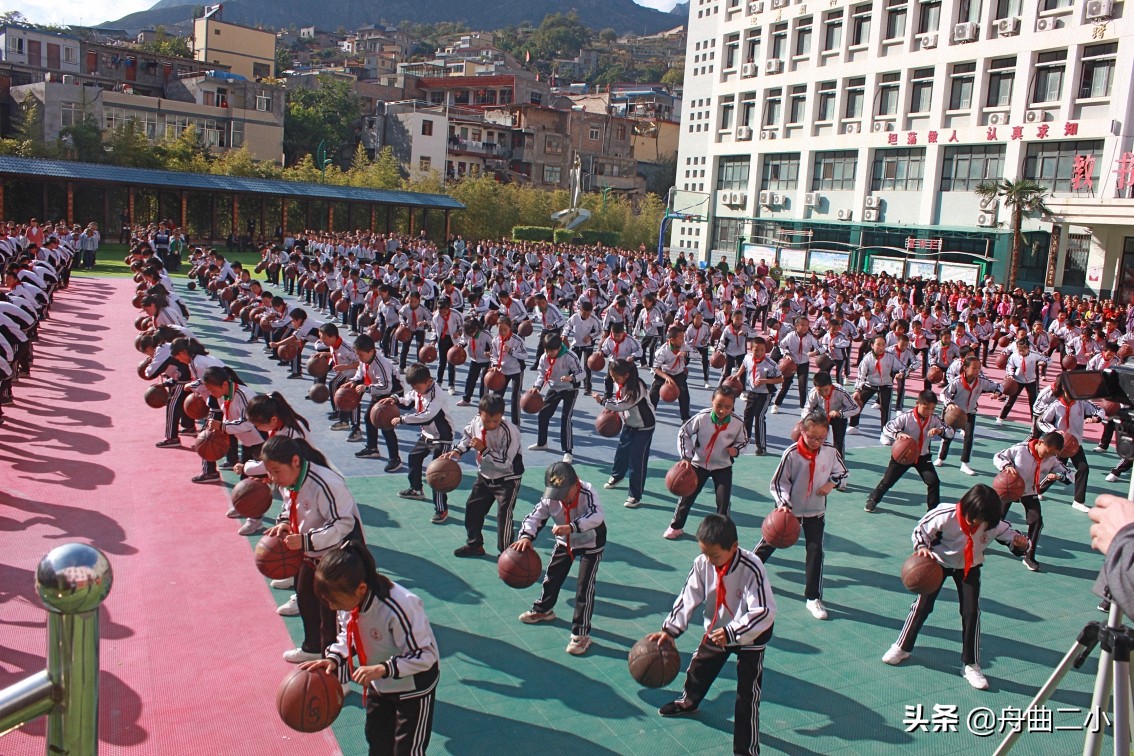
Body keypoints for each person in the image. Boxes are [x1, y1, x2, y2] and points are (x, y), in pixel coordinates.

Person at [646, 514, 775, 756]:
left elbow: (764, 612)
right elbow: (688, 596)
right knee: (699, 668)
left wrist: (732, 632)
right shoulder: (703, 563)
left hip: (750, 634)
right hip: (719, 628)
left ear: (734, 547)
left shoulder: (752, 566)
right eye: (704, 553)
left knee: (747, 695)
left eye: (714, 555)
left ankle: (746, 751)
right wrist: (670, 630)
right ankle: (689, 701)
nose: (709, 560)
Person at [882, 484, 1028, 690]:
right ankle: (902, 646)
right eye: (973, 517)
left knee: (971, 613)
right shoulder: (945, 514)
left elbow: (1014, 538)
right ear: (965, 506)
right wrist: (922, 547)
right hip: (937, 564)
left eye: (981, 520)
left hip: (969, 567)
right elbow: (920, 530)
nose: (975, 523)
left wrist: (1021, 544)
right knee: (922, 606)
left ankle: (971, 665)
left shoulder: (993, 524)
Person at [300, 541, 439, 756]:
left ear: (361, 589)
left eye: (334, 600)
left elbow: (425, 655)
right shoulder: (350, 602)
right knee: (377, 740)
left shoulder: (399, 606)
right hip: (380, 681)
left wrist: (383, 668)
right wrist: (334, 658)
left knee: (408, 750)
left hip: (413, 685)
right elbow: (349, 634)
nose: (332, 606)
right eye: (327, 600)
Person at [262, 436, 364, 663]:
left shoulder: (326, 483)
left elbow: (343, 524)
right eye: (269, 472)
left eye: (276, 471)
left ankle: (336, 667)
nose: (273, 478)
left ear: (295, 461)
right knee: (306, 599)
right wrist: (284, 522)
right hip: (311, 552)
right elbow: (289, 506)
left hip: (339, 556)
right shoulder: (289, 481)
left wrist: (306, 541)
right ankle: (313, 648)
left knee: (331, 616)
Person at [755, 413, 847, 620]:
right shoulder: (792, 453)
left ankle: (813, 597)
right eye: (812, 437)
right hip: (789, 510)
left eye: (821, 438)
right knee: (769, 542)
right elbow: (779, 482)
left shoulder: (830, 452)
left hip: (816, 511)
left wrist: (831, 483)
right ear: (802, 431)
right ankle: (744, 572)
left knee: (815, 551)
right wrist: (784, 503)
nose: (816, 442)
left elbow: (842, 473)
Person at [513, 462, 606, 656]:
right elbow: (535, 517)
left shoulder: (587, 492)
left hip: (591, 541)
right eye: (555, 492)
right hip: (565, 542)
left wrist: (571, 527)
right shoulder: (551, 497)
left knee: (584, 587)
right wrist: (526, 536)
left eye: (563, 492)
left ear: (575, 484)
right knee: (552, 576)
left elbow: (596, 516)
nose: (560, 497)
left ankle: (581, 634)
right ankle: (544, 609)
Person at [666, 386, 748, 540]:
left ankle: (722, 534)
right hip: (699, 464)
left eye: (727, 407)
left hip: (723, 466)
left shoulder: (737, 423)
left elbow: (743, 441)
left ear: (733, 406)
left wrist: (736, 450)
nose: (722, 410)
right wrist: (686, 457)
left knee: (723, 502)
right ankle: (676, 526)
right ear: (712, 401)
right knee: (687, 497)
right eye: (718, 405)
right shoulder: (702, 417)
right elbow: (684, 433)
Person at [449, 394, 524, 556]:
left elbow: (505, 463)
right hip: (485, 474)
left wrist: (484, 450)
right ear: (479, 413)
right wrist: (457, 451)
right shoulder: (476, 421)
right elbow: (468, 437)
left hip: (507, 478)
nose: (491, 425)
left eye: (495, 421)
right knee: (473, 508)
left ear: (502, 416)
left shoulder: (510, 431)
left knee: (504, 515)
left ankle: (506, 553)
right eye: (487, 421)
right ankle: (475, 544)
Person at [865, 390, 953, 514]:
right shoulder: (906, 417)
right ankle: (873, 499)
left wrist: (940, 431)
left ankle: (933, 511)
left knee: (934, 482)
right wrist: (898, 434)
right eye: (926, 408)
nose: (929, 412)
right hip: (904, 455)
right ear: (917, 403)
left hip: (922, 456)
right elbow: (887, 428)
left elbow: (950, 432)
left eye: (932, 409)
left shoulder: (934, 419)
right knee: (888, 481)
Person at [993, 432, 1071, 571]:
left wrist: (1058, 476)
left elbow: (1069, 473)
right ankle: (978, 541)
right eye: (1047, 452)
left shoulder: (1051, 458)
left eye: (1052, 454)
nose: (1047, 456)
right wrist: (1007, 465)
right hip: (1010, 488)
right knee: (993, 519)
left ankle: (1029, 556)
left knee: (1037, 522)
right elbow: (998, 456)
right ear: (1040, 442)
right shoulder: (1020, 449)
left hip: (1030, 491)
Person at [390, 363, 455, 524]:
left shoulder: (437, 395)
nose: (416, 390)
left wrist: (402, 419)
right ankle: (416, 489)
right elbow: (408, 400)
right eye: (414, 387)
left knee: (437, 473)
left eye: (418, 387)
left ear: (429, 381)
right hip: (427, 434)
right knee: (414, 457)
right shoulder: (419, 389)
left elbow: (427, 416)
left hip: (442, 437)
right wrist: (394, 399)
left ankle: (441, 509)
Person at [1036, 373, 1102, 513]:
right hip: (1060, 444)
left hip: (1075, 443)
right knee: (1057, 469)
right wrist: (1055, 431)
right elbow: (1041, 421)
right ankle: (1038, 490)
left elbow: (1099, 410)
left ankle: (1078, 501)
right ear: (1064, 389)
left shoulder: (1082, 403)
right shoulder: (1055, 405)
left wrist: (1096, 418)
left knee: (1083, 468)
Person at [936, 355, 1002, 475]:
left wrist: (997, 392)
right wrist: (949, 403)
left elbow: (998, 385)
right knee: (948, 435)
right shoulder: (957, 382)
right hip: (954, 413)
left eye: (979, 368)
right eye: (974, 368)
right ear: (965, 368)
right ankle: (941, 458)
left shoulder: (981, 381)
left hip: (970, 412)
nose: (977, 371)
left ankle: (965, 464)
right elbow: (943, 394)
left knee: (969, 437)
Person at [349, 333, 402, 472]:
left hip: (392, 393)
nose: (359, 358)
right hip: (378, 392)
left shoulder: (381, 364)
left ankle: (395, 459)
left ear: (371, 351)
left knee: (384, 423)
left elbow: (386, 387)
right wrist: (354, 381)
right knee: (369, 418)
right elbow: (360, 373)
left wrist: (366, 388)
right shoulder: (365, 359)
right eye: (357, 355)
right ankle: (372, 448)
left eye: (361, 355)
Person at [528, 332, 584, 463]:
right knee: (543, 414)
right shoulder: (544, 358)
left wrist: (571, 378)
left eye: (552, 351)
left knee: (566, 418)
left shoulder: (570, 356)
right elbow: (541, 374)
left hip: (570, 389)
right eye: (546, 350)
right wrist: (537, 386)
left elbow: (582, 373)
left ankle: (568, 451)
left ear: (559, 348)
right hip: (554, 388)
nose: (549, 353)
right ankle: (542, 443)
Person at [850, 335, 903, 442]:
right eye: (878, 344)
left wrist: (901, 373)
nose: (881, 347)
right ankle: (854, 426)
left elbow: (902, 367)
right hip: (870, 384)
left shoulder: (890, 357)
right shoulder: (867, 358)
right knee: (857, 402)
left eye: (883, 344)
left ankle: (884, 433)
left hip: (886, 385)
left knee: (885, 408)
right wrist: (857, 390)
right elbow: (861, 375)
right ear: (872, 345)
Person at [735, 336, 782, 455]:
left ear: (766, 350)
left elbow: (780, 379)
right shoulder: (748, 358)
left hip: (765, 393)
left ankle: (761, 447)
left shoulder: (771, 364)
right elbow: (744, 365)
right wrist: (737, 375)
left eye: (762, 350)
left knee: (759, 416)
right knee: (747, 413)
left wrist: (765, 381)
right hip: (753, 391)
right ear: (751, 349)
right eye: (756, 350)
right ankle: (745, 438)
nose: (759, 352)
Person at [801, 371, 859, 458]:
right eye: (820, 391)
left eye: (826, 390)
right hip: (820, 418)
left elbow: (855, 408)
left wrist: (840, 413)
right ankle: (815, 458)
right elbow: (807, 408)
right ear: (815, 388)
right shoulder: (813, 393)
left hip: (838, 417)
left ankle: (839, 460)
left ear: (831, 385)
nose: (824, 393)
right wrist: (807, 420)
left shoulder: (841, 391)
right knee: (816, 440)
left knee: (838, 442)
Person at [650, 324, 695, 422]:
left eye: (683, 337)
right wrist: (666, 377)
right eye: (680, 338)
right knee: (653, 392)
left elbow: (697, 354)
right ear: (672, 340)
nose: (683, 340)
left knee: (684, 394)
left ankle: (685, 418)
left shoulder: (684, 346)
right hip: (664, 372)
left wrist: (686, 353)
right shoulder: (663, 350)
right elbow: (655, 368)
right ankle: (649, 415)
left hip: (678, 373)